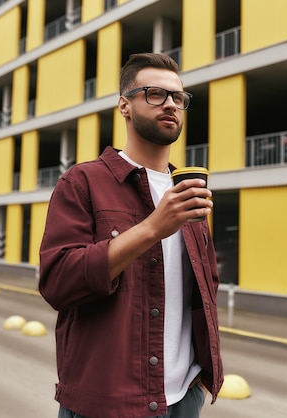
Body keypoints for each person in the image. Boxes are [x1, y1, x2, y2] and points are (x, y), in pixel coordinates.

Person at [39, 52, 224, 418]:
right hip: (107, 403)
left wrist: (201, 379)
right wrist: (153, 227)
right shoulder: (83, 182)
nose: (170, 104)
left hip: (183, 399)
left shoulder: (185, 188)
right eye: (155, 94)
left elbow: (206, 285)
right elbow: (57, 281)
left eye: (178, 97)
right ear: (124, 105)